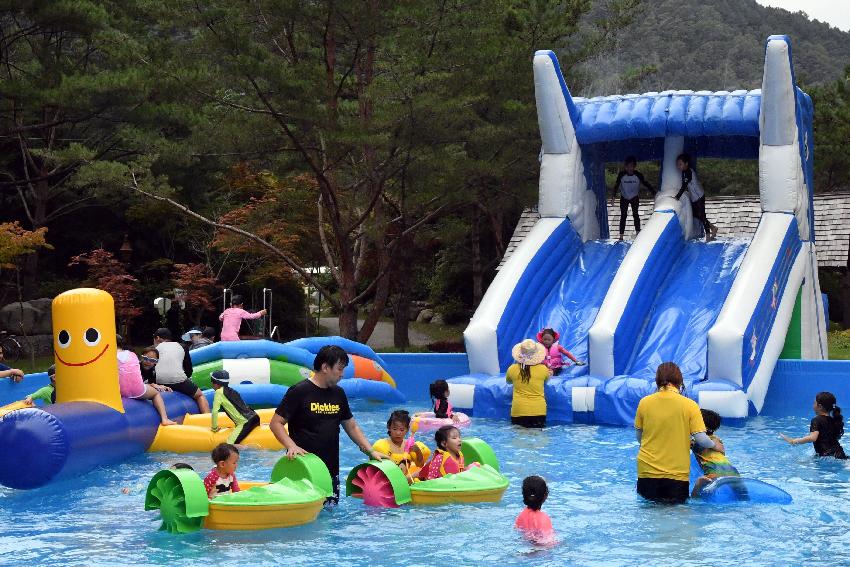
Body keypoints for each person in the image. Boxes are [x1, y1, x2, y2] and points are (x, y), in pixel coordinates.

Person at [269, 345, 385, 504]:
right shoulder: (299, 391)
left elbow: (351, 426)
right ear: (325, 367)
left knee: (329, 515)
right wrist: (291, 446)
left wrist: (370, 451)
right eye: (339, 369)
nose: (342, 374)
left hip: (330, 470)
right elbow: (276, 423)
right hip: (304, 469)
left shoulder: (338, 393)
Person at [634, 362, 723, 504]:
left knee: (649, 512)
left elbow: (640, 438)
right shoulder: (690, 405)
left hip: (646, 471)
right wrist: (715, 445)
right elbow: (701, 439)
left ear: (657, 381)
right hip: (675, 475)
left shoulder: (644, 402)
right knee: (676, 515)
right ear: (679, 381)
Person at [117, 335, 177, 426]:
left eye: (152, 360)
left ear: (156, 362)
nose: (148, 362)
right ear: (140, 358)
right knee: (156, 394)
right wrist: (152, 385)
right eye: (145, 359)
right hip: (136, 390)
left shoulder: (153, 371)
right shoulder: (132, 356)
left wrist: (157, 385)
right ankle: (165, 418)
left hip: (121, 390)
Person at [152, 328, 210, 414]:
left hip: (158, 381)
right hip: (178, 380)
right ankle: (207, 418)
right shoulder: (182, 346)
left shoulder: (153, 349)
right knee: (200, 395)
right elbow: (188, 368)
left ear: (157, 338)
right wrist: (185, 378)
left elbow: (150, 367)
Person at [781, 391, 847, 459]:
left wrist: (793, 441)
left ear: (820, 406)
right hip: (840, 454)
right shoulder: (834, 420)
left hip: (828, 456)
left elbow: (813, 438)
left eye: (814, 403)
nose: (813, 405)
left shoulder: (816, 420)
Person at [691, 409, 741, 496]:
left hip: (714, 472)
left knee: (696, 497)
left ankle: (699, 483)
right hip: (733, 472)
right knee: (742, 496)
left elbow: (696, 446)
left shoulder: (697, 442)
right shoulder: (717, 440)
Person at [372, 409, 428, 482]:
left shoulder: (409, 445)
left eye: (402, 430)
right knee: (416, 475)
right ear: (389, 427)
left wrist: (417, 451)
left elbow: (420, 465)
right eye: (395, 429)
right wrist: (413, 476)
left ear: (407, 429)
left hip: (404, 483)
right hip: (388, 484)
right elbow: (377, 474)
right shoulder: (381, 446)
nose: (398, 433)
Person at [506, 339, 551, 428]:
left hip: (519, 410)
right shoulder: (543, 369)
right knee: (539, 439)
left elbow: (508, 381)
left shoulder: (512, 369)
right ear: (536, 354)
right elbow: (546, 380)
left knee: (519, 439)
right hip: (539, 410)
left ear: (519, 354)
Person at [674, 153, 718, 241]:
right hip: (694, 197)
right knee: (696, 215)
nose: (679, 166)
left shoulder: (689, 172)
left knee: (702, 215)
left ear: (686, 163)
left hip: (699, 196)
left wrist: (677, 197)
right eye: (678, 165)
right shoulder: (684, 172)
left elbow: (684, 185)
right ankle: (713, 227)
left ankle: (708, 236)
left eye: (680, 164)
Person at [210, 370, 260, 445]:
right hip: (255, 418)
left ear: (216, 384)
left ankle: (251, 448)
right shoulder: (232, 391)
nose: (211, 384)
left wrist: (214, 428)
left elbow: (214, 412)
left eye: (212, 381)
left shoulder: (218, 392)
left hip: (245, 423)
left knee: (229, 445)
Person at [611, 156, 655, 240]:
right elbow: (616, 185)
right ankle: (621, 236)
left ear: (634, 167)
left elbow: (646, 183)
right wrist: (613, 197)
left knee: (636, 214)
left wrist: (654, 193)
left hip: (634, 197)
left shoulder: (638, 175)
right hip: (624, 197)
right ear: (625, 167)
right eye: (628, 166)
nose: (630, 168)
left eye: (632, 166)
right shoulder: (621, 175)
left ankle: (638, 233)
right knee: (623, 215)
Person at [514, 476, 554, 540]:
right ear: (545, 496)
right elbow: (548, 542)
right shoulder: (544, 518)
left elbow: (517, 530)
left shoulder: (521, 515)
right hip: (540, 548)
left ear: (523, 495)